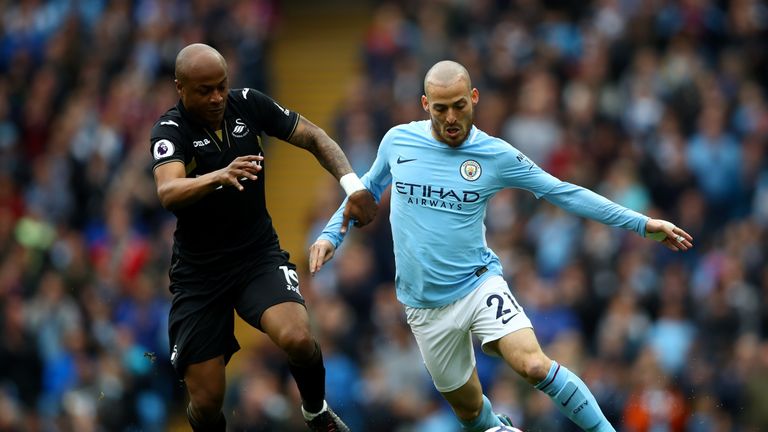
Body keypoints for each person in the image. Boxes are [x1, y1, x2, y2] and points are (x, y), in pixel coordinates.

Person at [309, 60, 693, 432]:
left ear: (474, 97)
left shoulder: (495, 154)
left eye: (460, 106)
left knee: (533, 365)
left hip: (478, 285)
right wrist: (330, 235)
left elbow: (562, 192)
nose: (451, 118)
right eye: (440, 109)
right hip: (424, 307)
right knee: (471, 414)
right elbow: (365, 191)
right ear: (425, 106)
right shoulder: (398, 141)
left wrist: (642, 223)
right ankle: (499, 428)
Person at [150, 43, 377, 432]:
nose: (217, 96)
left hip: (256, 257)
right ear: (180, 88)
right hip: (200, 275)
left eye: (221, 85)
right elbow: (168, 191)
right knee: (206, 404)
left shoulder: (249, 104)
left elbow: (315, 137)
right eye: (205, 90)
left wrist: (352, 186)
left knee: (300, 338)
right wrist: (216, 176)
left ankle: (315, 413)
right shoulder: (170, 130)